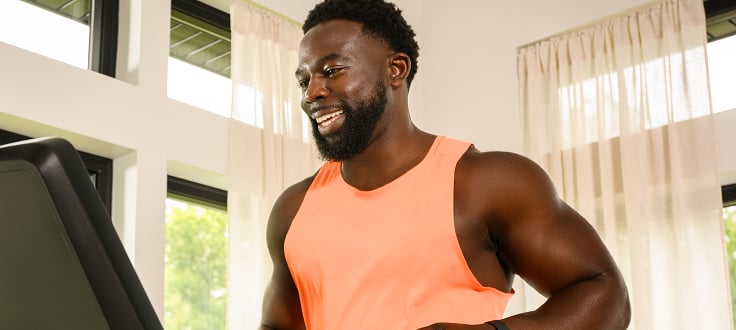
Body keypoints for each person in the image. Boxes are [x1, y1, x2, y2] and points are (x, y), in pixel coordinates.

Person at [260, 1, 631, 329]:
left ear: (396, 70)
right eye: (304, 81)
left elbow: (605, 293)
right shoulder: (292, 210)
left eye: (333, 69)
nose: (311, 94)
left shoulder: (487, 183)